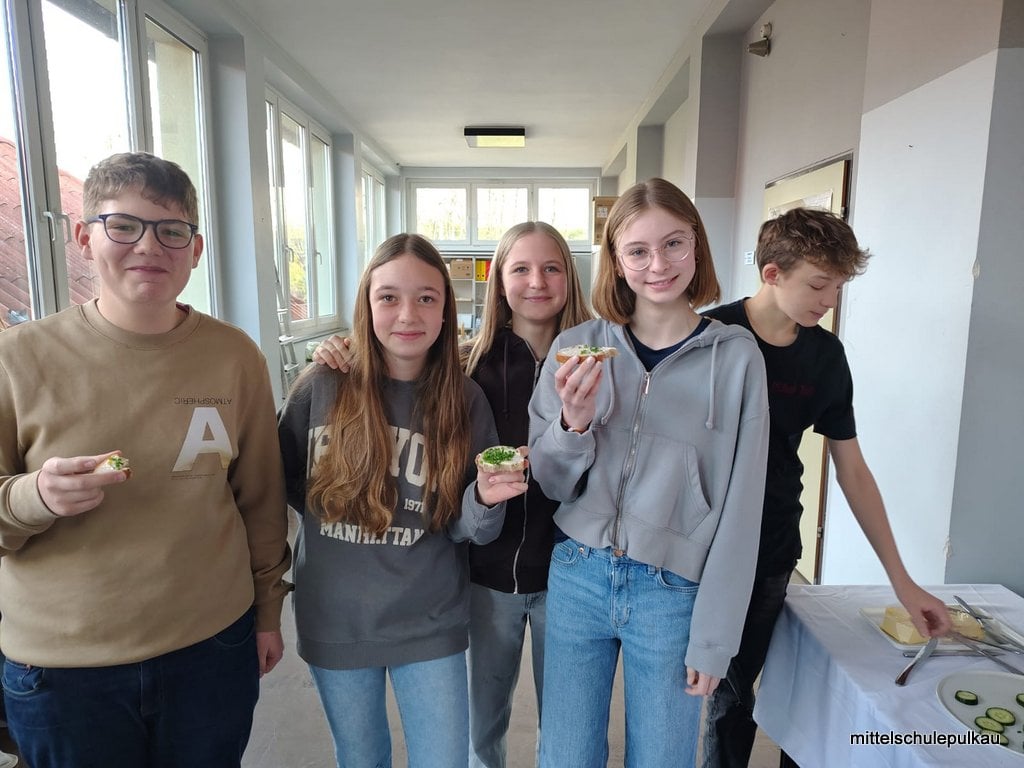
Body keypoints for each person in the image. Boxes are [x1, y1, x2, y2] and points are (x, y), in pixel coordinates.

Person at [0, 152, 291, 767]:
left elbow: (261, 501)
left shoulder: (235, 357)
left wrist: (269, 610)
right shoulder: (16, 359)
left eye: (171, 231)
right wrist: (35, 497)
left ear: (196, 249)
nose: (149, 246)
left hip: (211, 645)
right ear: (84, 237)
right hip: (64, 668)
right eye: (124, 225)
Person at [313, 221, 593, 768]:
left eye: (552, 267)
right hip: (482, 574)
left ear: (571, 277)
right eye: (520, 268)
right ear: (498, 282)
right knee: (479, 730)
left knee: (568, 732)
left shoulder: (595, 363)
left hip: (571, 572)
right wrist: (344, 348)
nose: (536, 281)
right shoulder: (464, 366)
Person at [527, 178, 770, 767]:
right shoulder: (576, 348)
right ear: (616, 261)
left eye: (673, 243)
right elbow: (551, 483)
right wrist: (573, 424)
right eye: (637, 251)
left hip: (673, 591)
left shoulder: (737, 357)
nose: (657, 265)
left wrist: (715, 638)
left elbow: (743, 510)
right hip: (577, 575)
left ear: (697, 245)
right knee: (565, 757)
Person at [700, 206, 952, 768]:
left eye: (838, 286)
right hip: (695, 547)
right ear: (772, 273)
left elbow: (853, 470)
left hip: (769, 546)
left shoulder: (826, 356)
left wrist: (903, 581)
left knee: (734, 695)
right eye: (818, 285)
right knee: (682, 686)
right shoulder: (710, 338)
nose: (830, 300)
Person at [277, 233, 529, 768]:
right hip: (336, 619)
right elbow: (283, 482)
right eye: (389, 297)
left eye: (426, 298)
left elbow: (469, 527)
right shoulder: (322, 385)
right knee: (361, 756)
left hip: (429, 620)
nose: (408, 314)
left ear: (446, 311)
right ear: (366, 305)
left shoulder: (464, 400)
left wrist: (485, 498)